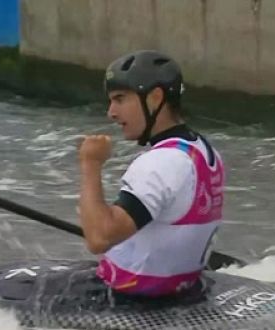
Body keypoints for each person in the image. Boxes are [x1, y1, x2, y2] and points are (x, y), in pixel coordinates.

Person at [77, 49, 225, 298]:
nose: (111, 112)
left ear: (155, 98)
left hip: (130, 300)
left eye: (120, 99)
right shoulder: (203, 151)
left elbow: (99, 238)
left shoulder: (160, 163)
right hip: (184, 290)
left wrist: (90, 164)